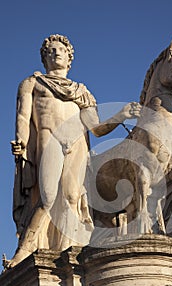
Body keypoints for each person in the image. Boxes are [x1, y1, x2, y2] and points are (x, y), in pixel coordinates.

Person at [8, 34, 141, 268]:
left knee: (72, 198)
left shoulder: (80, 91)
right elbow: (23, 115)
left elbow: (97, 128)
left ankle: (72, 251)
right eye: (50, 50)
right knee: (47, 197)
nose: (56, 53)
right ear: (44, 58)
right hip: (49, 140)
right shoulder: (32, 83)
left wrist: (121, 114)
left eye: (60, 50)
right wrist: (21, 139)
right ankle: (25, 249)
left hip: (77, 142)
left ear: (70, 58)